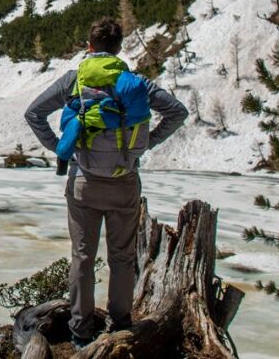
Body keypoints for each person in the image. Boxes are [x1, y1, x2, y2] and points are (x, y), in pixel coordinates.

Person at [23, 17, 187, 348]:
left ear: (90, 46)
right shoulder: (136, 84)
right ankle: (120, 323)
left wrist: (59, 147)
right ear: (118, 48)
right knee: (122, 258)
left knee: (82, 257)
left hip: (83, 182)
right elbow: (177, 112)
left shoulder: (74, 80)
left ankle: (80, 332)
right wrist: (147, 143)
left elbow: (34, 113)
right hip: (124, 182)